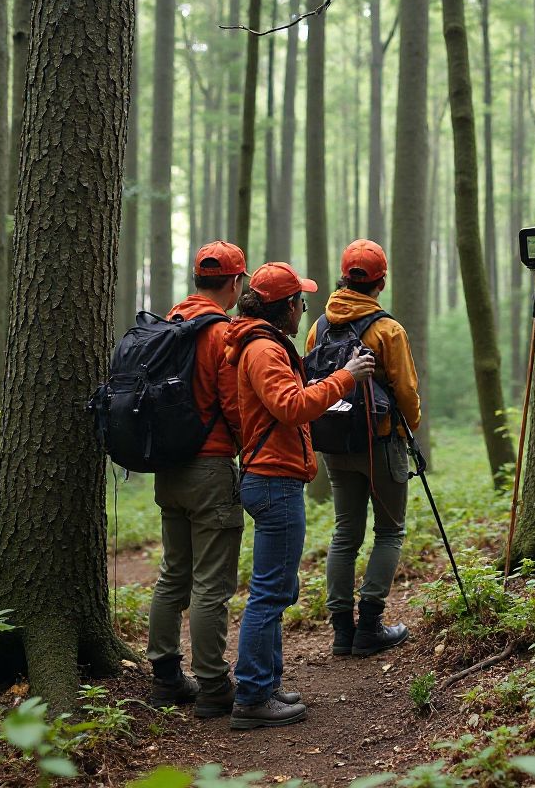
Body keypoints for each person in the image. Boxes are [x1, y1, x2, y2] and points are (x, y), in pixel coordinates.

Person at [223, 262, 375, 731]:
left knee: (279, 589)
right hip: (273, 479)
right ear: (286, 307)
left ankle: (265, 684)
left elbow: (283, 400)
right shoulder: (265, 348)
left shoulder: (262, 344)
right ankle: (251, 695)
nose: (303, 311)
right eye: (300, 303)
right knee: (269, 593)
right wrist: (345, 377)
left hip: (272, 476)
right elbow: (289, 407)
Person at [305, 239, 422, 658]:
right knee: (389, 531)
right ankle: (369, 626)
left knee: (344, 534)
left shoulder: (319, 326)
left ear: (343, 277)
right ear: (381, 281)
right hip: (381, 442)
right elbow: (406, 390)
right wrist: (411, 427)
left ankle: (341, 630)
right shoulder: (387, 329)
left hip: (334, 444)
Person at [147, 240, 247, 718]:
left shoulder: (170, 323)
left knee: (174, 573)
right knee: (211, 582)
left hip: (168, 468)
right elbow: (233, 403)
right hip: (209, 469)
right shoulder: (219, 333)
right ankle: (212, 685)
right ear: (234, 282)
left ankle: (166, 675)